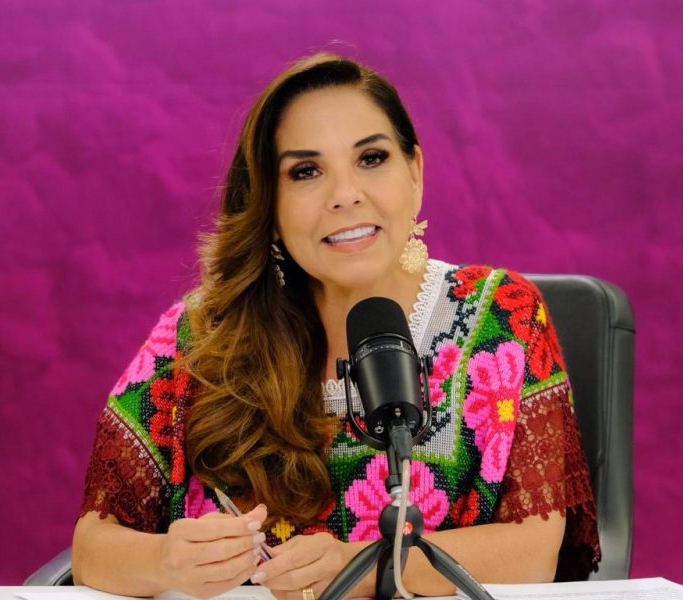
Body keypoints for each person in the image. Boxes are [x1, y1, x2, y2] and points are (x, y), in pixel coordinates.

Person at [72, 52, 600, 600]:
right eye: (306, 172)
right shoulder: (201, 337)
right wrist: (166, 561)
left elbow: (532, 553)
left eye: (371, 158)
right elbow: (92, 547)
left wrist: (361, 568)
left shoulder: (504, 317)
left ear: (415, 173)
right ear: (269, 205)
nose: (345, 195)